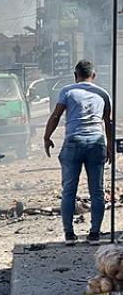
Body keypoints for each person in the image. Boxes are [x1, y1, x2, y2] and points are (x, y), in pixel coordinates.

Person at [44, 60, 111, 246]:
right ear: (94, 76)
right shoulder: (103, 93)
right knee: (97, 191)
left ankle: (69, 235)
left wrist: (47, 137)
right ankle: (95, 234)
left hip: (73, 143)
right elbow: (108, 122)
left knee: (69, 191)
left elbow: (56, 115)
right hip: (97, 143)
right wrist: (110, 147)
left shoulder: (67, 91)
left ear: (75, 75)